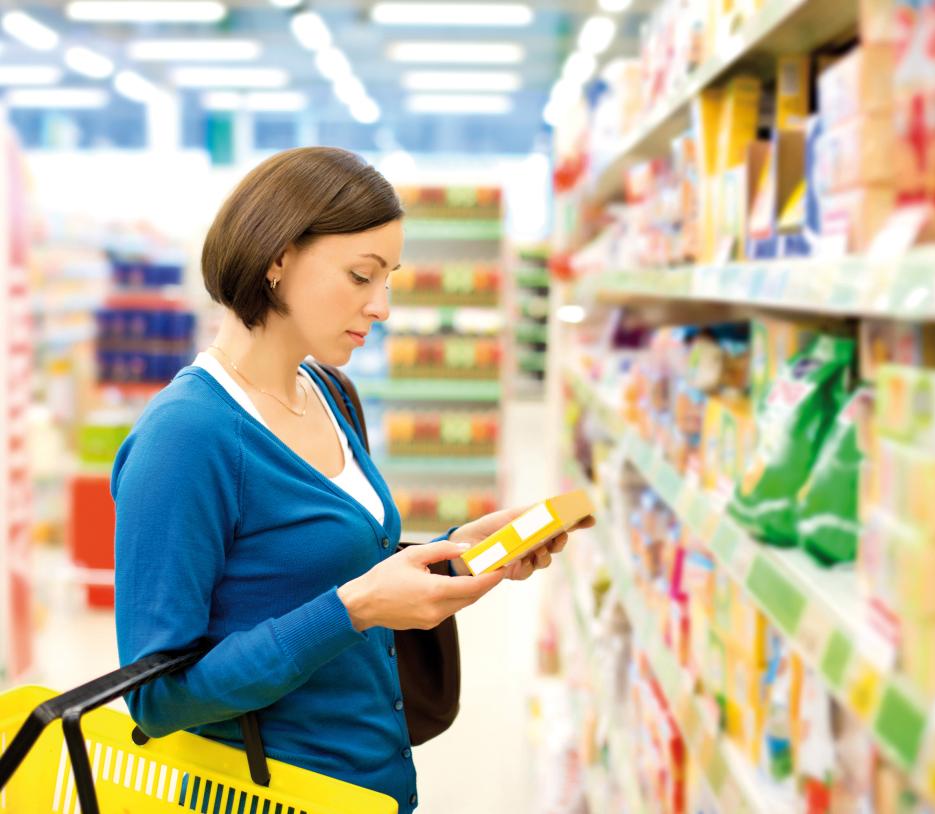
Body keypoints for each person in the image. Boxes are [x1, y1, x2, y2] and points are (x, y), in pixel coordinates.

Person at [112, 146, 588, 813]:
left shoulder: (327, 391)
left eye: (389, 277)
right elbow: (157, 697)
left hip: (370, 789)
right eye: (362, 276)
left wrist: (459, 553)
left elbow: (322, 571)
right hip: (272, 795)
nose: (383, 305)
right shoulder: (186, 436)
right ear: (278, 259)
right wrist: (354, 610)